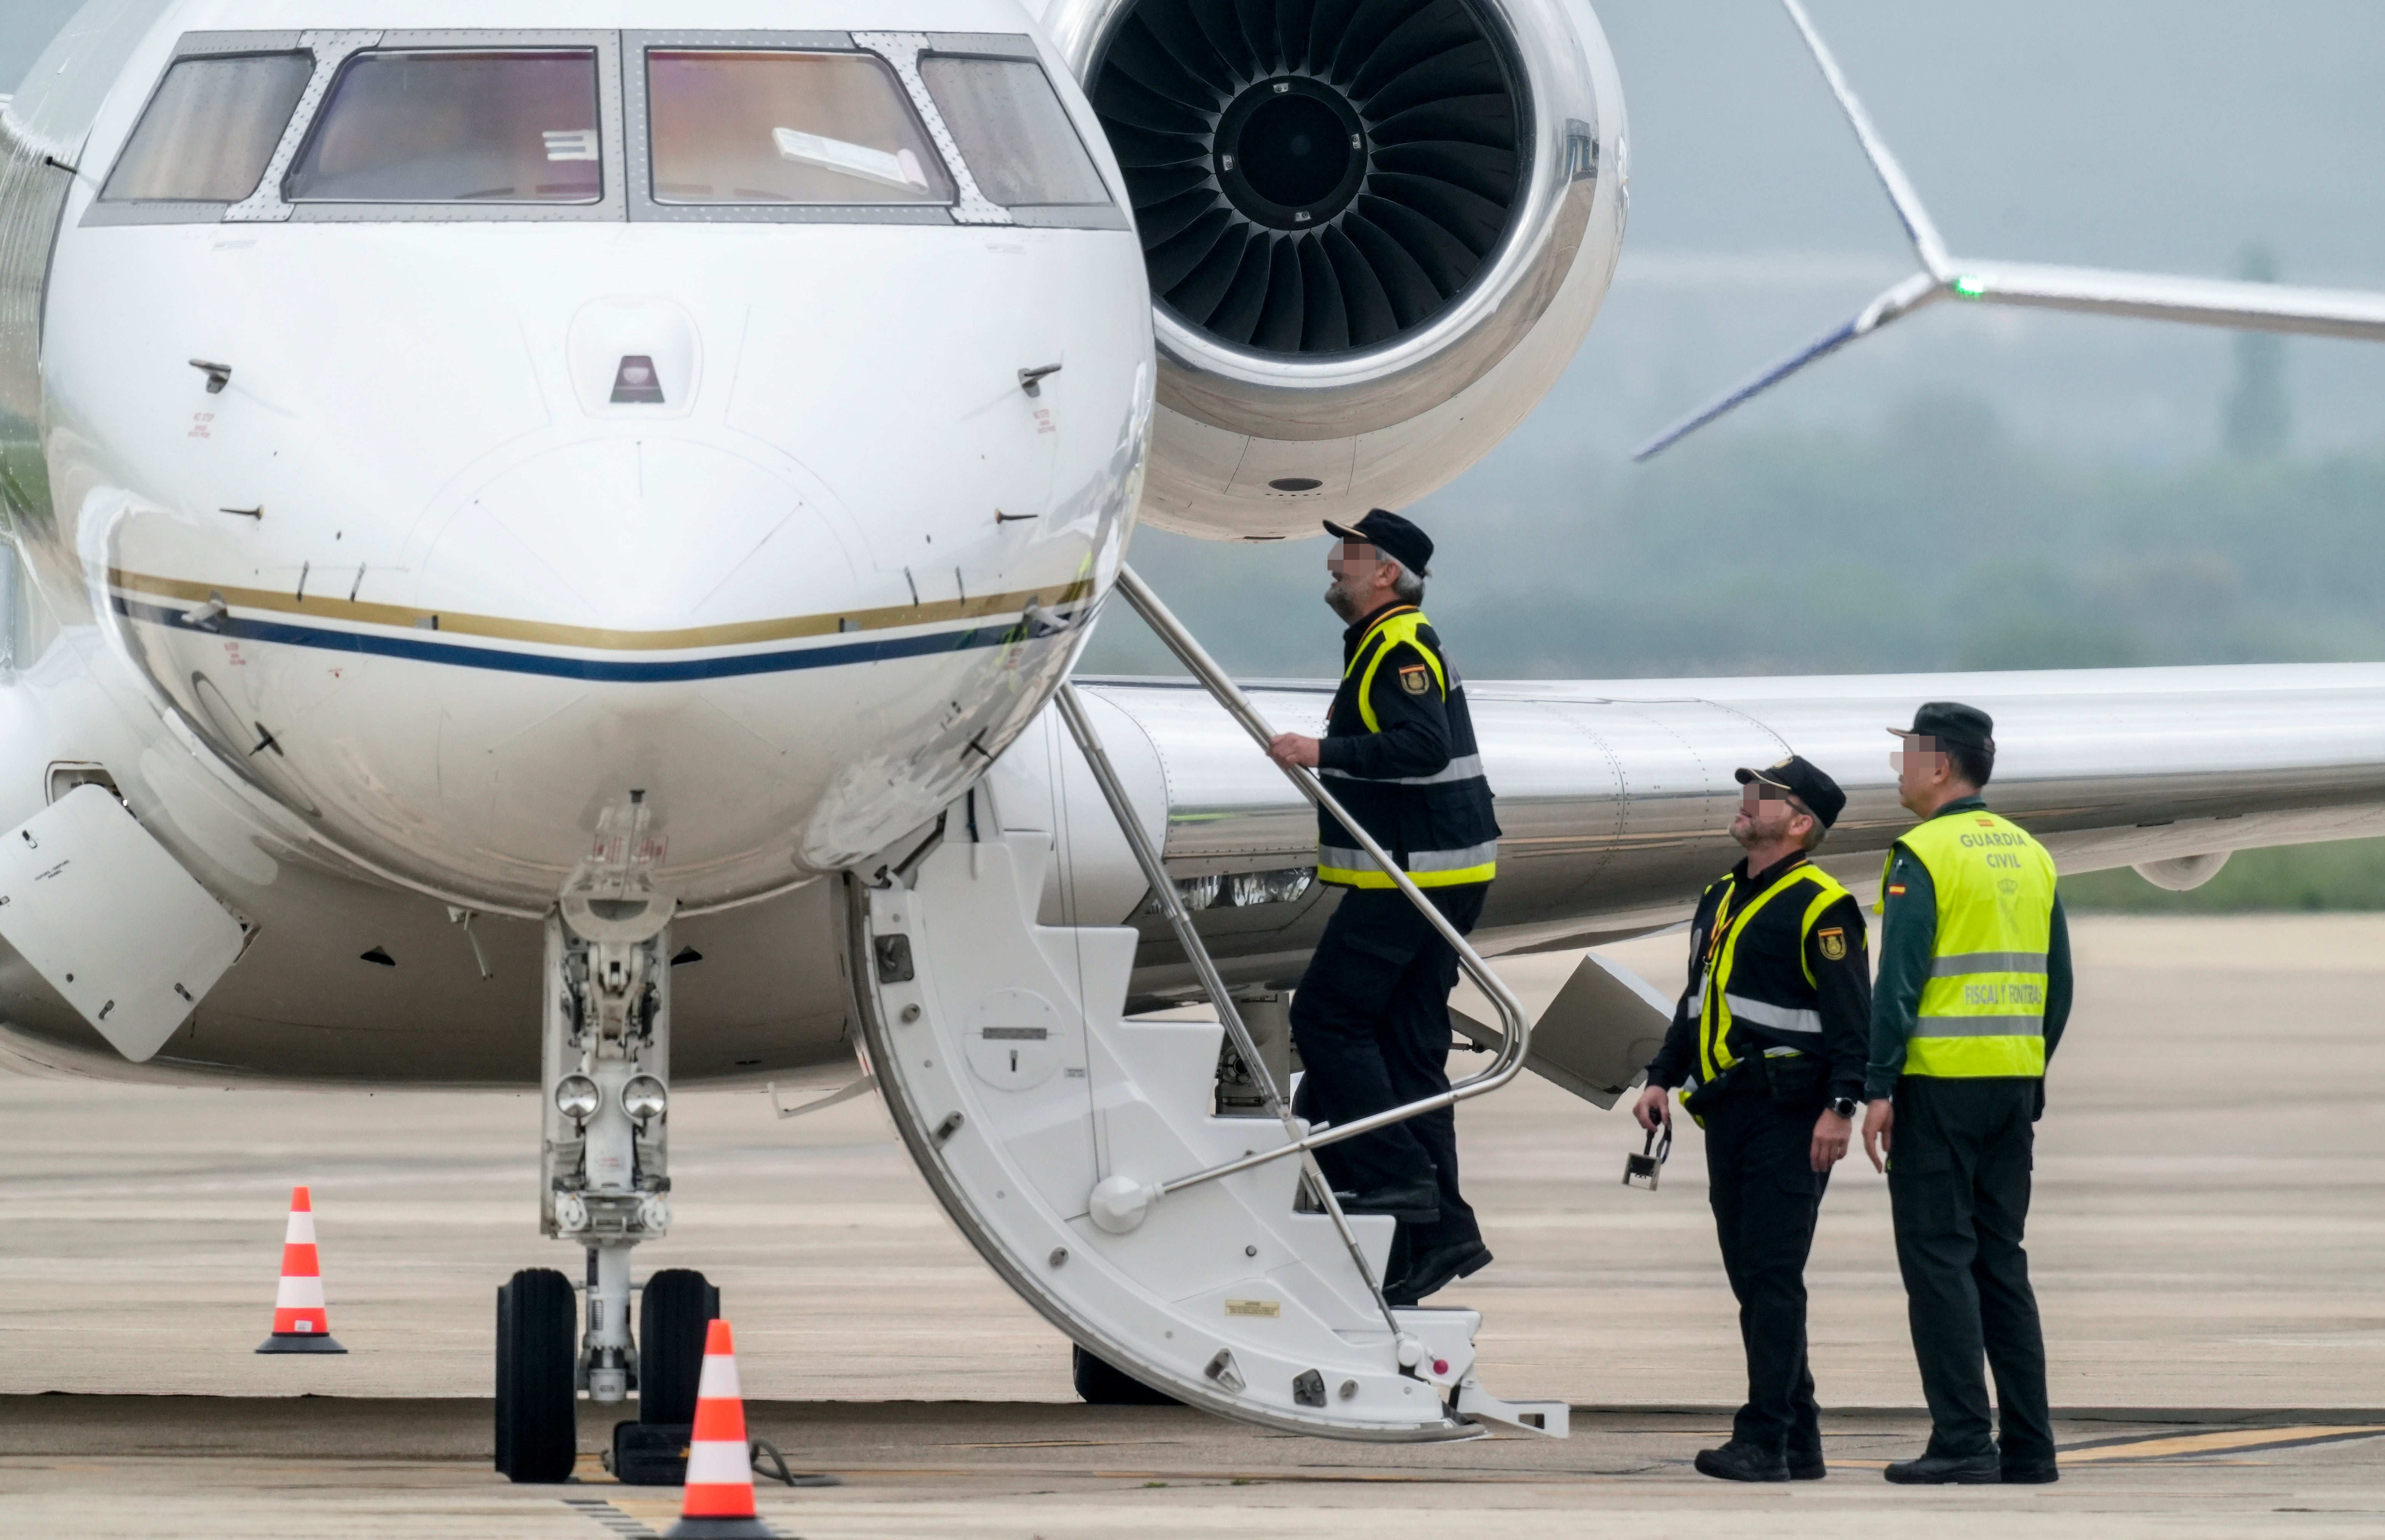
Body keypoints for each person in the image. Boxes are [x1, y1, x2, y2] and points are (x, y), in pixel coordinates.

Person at [1264, 508, 1501, 1307]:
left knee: (1328, 1020)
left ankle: (1397, 1180)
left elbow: (1421, 746)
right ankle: (1443, 1235)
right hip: (1426, 875)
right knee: (1407, 1053)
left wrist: (1318, 751)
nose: (1334, 562)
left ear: (1386, 573)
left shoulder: (1400, 645)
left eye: (1350, 554)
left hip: (1414, 880)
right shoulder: (1378, 641)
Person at [1633, 755, 1871, 1482]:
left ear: (1799, 823)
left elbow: (1852, 1024)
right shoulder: (1721, 896)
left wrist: (1840, 1108)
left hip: (1792, 1115)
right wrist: (1662, 1076)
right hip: (1727, 1113)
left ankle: (1763, 1438)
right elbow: (1698, 1000)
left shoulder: (1823, 906)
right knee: (1753, 1278)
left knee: (1772, 1275)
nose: (1747, 801)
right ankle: (1798, 1439)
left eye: (1763, 795)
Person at [1863, 702, 2072, 1485]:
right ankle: (2029, 1445)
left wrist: (1877, 1085)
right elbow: (2060, 987)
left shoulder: (1923, 852)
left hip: (1938, 1088)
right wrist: (2029, 1068)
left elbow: (1900, 982)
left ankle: (1961, 1439)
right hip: (2013, 1087)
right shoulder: (2031, 853)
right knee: (2001, 1264)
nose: (1900, 769)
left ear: (1941, 765)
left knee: (1938, 1262)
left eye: (1907, 754)